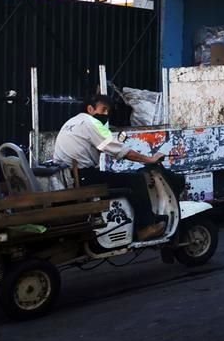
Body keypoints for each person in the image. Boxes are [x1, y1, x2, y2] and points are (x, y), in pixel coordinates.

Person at [53, 94, 167, 241]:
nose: (106, 114)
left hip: (68, 177)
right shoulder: (91, 123)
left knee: (116, 179)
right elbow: (120, 150)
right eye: (103, 109)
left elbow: (98, 147)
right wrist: (149, 159)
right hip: (83, 176)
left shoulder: (72, 122)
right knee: (136, 180)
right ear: (90, 109)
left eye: (108, 111)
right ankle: (144, 228)